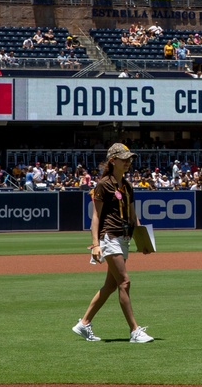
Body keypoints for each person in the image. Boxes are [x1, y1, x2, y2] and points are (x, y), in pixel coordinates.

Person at [73, 143, 154, 344]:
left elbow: (134, 216)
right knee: (124, 282)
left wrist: (142, 240)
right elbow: (95, 217)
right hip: (110, 237)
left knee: (110, 285)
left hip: (124, 238)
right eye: (124, 158)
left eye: (129, 158)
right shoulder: (103, 184)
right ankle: (134, 331)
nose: (128, 162)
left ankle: (84, 323)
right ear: (112, 160)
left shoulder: (126, 186)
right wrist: (96, 244)